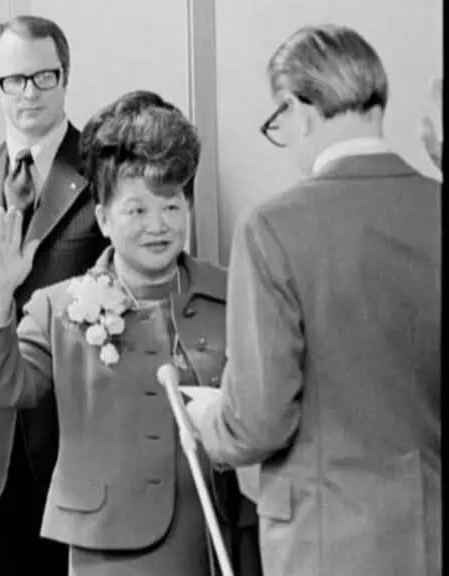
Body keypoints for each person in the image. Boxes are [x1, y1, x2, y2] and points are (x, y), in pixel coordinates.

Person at [181, 24, 441, 576]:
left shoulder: (273, 229)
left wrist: (208, 420)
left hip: (324, 542)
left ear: (297, 110)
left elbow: (258, 423)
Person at [0, 90, 259, 576]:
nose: (157, 226)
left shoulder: (234, 293)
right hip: (113, 547)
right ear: (102, 218)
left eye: (171, 207)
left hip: (223, 535)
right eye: (137, 211)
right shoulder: (58, 307)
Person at [0, 15, 108, 575]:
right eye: (15, 79)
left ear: (65, 76)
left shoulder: (104, 172)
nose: (30, 92)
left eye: (44, 76)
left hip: (80, 436)